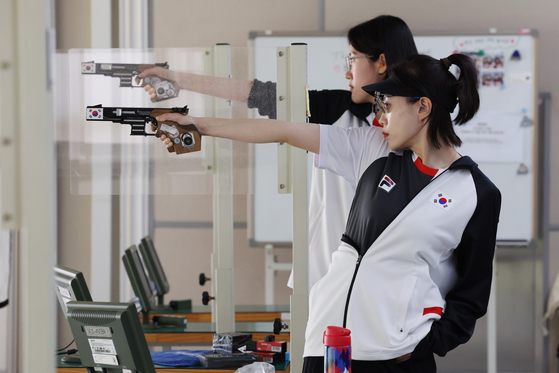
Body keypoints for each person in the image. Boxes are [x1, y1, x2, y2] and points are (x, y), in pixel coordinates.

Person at [151, 52, 501, 372]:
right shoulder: (371, 148)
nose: (380, 116)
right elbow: (283, 131)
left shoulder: (475, 192)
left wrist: (424, 344)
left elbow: (471, 295)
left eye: (388, 105)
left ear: (422, 107)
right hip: (329, 345)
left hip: (393, 356)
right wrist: (197, 124)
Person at [139, 15, 418, 290]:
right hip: (325, 275)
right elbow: (259, 96)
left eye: (352, 59)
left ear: (380, 62)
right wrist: (176, 80)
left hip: (379, 284)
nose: (347, 72)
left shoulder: (418, 137)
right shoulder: (338, 110)